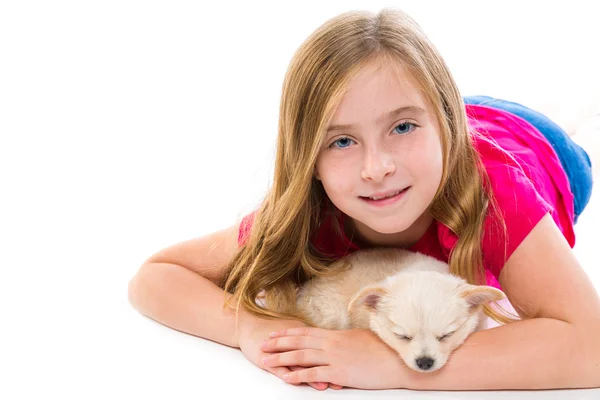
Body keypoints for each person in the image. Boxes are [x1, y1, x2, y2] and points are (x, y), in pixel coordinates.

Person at [127, 8, 600, 391]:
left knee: (569, 133)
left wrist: (392, 365)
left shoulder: (494, 197)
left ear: (446, 129)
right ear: (308, 161)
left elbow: (591, 348)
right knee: (394, 108)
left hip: (537, 144)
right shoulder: (315, 211)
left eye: (402, 127)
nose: (377, 168)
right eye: (341, 141)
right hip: (455, 120)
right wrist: (250, 329)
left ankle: (555, 114)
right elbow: (155, 276)